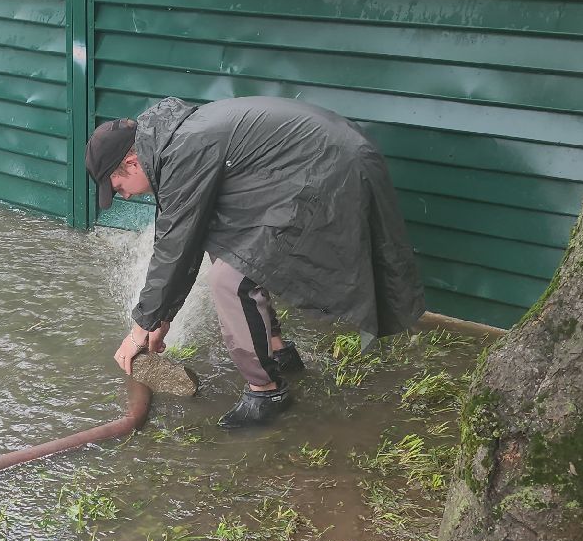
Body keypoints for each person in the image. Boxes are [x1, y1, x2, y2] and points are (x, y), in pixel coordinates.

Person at [86, 95, 424, 428]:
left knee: (229, 281)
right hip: (321, 161)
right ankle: (278, 353)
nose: (124, 196)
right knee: (229, 248)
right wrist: (161, 319)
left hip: (329, 169)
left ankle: (266, 392)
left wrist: (141, 328)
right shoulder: (172, 142)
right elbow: (186, 242)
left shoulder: (183, 150)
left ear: (131, 161)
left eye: (118, 188)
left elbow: (176, 246)